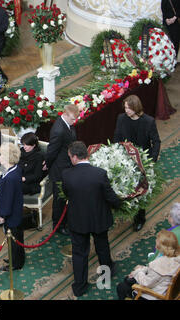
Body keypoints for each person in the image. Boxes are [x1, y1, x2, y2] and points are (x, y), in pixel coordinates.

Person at [61, 141, 121, 297]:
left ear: (75, 157)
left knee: (79, 254)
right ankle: (106, 275)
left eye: (70, 157)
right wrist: (120, 203)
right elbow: (110, 196)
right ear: (86, 155)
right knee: (102, 247)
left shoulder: (67, 175)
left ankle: (80, 287)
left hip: (78, 220)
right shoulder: (99, 173)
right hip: (98, 219)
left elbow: (67, 193)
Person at [113, 94, 161, 232]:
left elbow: (156, 142)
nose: (126, 110)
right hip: (125, 158)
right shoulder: (121, 119)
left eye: (128, 108)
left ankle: (140, 218)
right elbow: (117, 137)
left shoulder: (149, 121)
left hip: (142, 161)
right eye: (125, 108)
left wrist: (151, 160)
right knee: (126, 186)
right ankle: (126, 210)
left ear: (136, 107)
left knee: (141, 190)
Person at [44, 104, 80, 236]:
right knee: (59, 200)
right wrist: (47, 164)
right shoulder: (59, 130)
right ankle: (58, 226)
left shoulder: (68, 124)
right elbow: (52, 150)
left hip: (68, 165)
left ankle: (66, 221)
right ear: (65, 114)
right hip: (59, 169)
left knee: (66, 197)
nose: (74, 122)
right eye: (72, 119)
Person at [116, 230, 180, 300]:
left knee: (121, 287)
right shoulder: (175, 258)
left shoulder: (159, 265)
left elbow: (145, 283)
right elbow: (155, 272)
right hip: (164, 288)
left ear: (160, 247)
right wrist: (143, 269)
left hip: (152, 296)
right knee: (128, 280)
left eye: (156, 241)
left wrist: (138, 271)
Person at [0, 142, 25, 271]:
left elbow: (8, 199)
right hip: (16, 212)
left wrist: (3, 215)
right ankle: (16, 258)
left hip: (12, 215)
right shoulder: (14, 170)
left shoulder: (11, 177)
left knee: (14, 239)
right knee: (16, 238)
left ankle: (16, 264)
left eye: (1, 154)